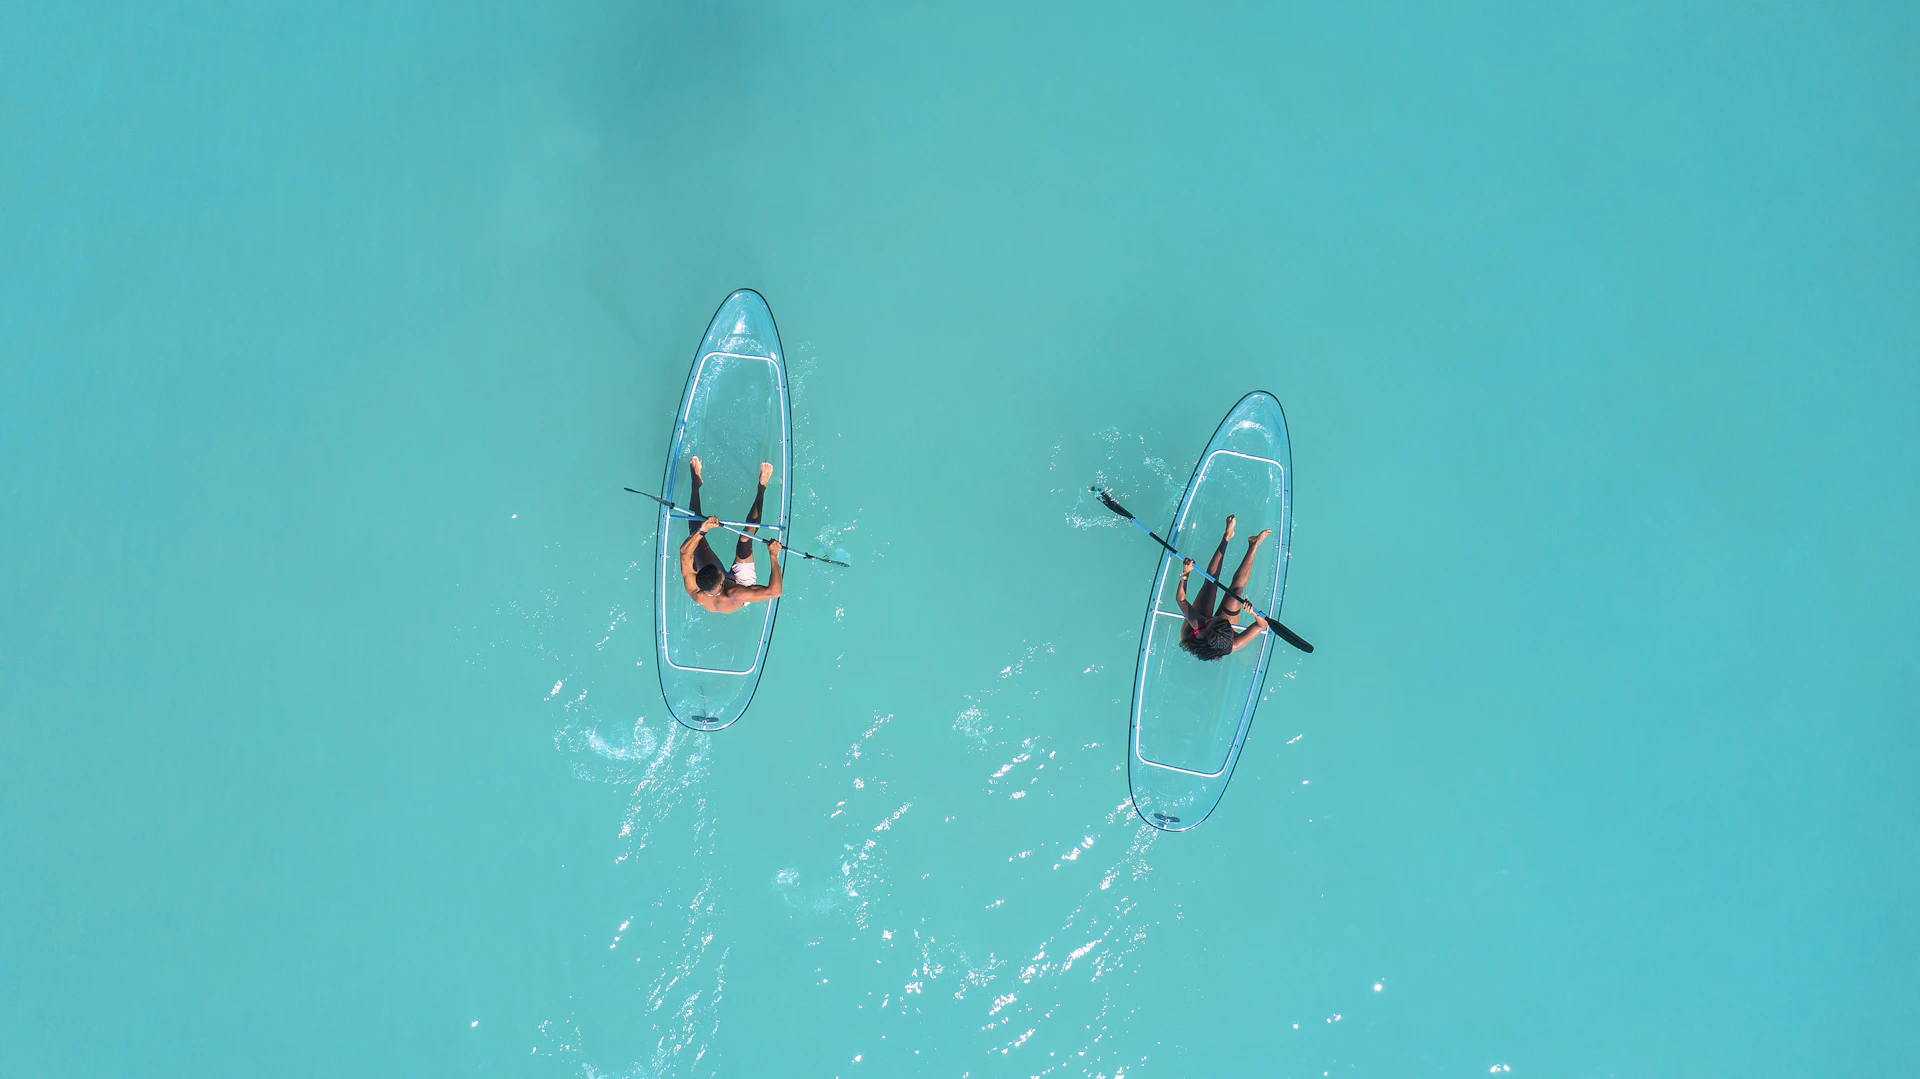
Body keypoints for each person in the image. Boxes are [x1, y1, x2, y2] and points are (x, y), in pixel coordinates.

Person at [678, 456, 783, 613]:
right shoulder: (736, 593)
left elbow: (684, 552)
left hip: (715, 584)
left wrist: (702, 529)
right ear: (721, 581)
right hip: (741, 583)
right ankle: (762, 486)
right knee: (745, 539)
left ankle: (696, 484)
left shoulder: (695, 589)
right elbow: (775, 592)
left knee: (695, 532)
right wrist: (773, 555)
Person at [1176, 514, 1270, 660]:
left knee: (1210, 583)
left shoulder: (1199, 625)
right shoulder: (1233, 643)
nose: (1216, 617)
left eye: (1214, 619)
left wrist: (1186, 573)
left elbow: (1181, 600)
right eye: (1221, 620)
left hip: (1194, 633)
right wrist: (1253, 613)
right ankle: (1254, 544)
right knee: (1236, 593)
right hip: (1218, 636)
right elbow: (1262, 626)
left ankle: (1227, 535)